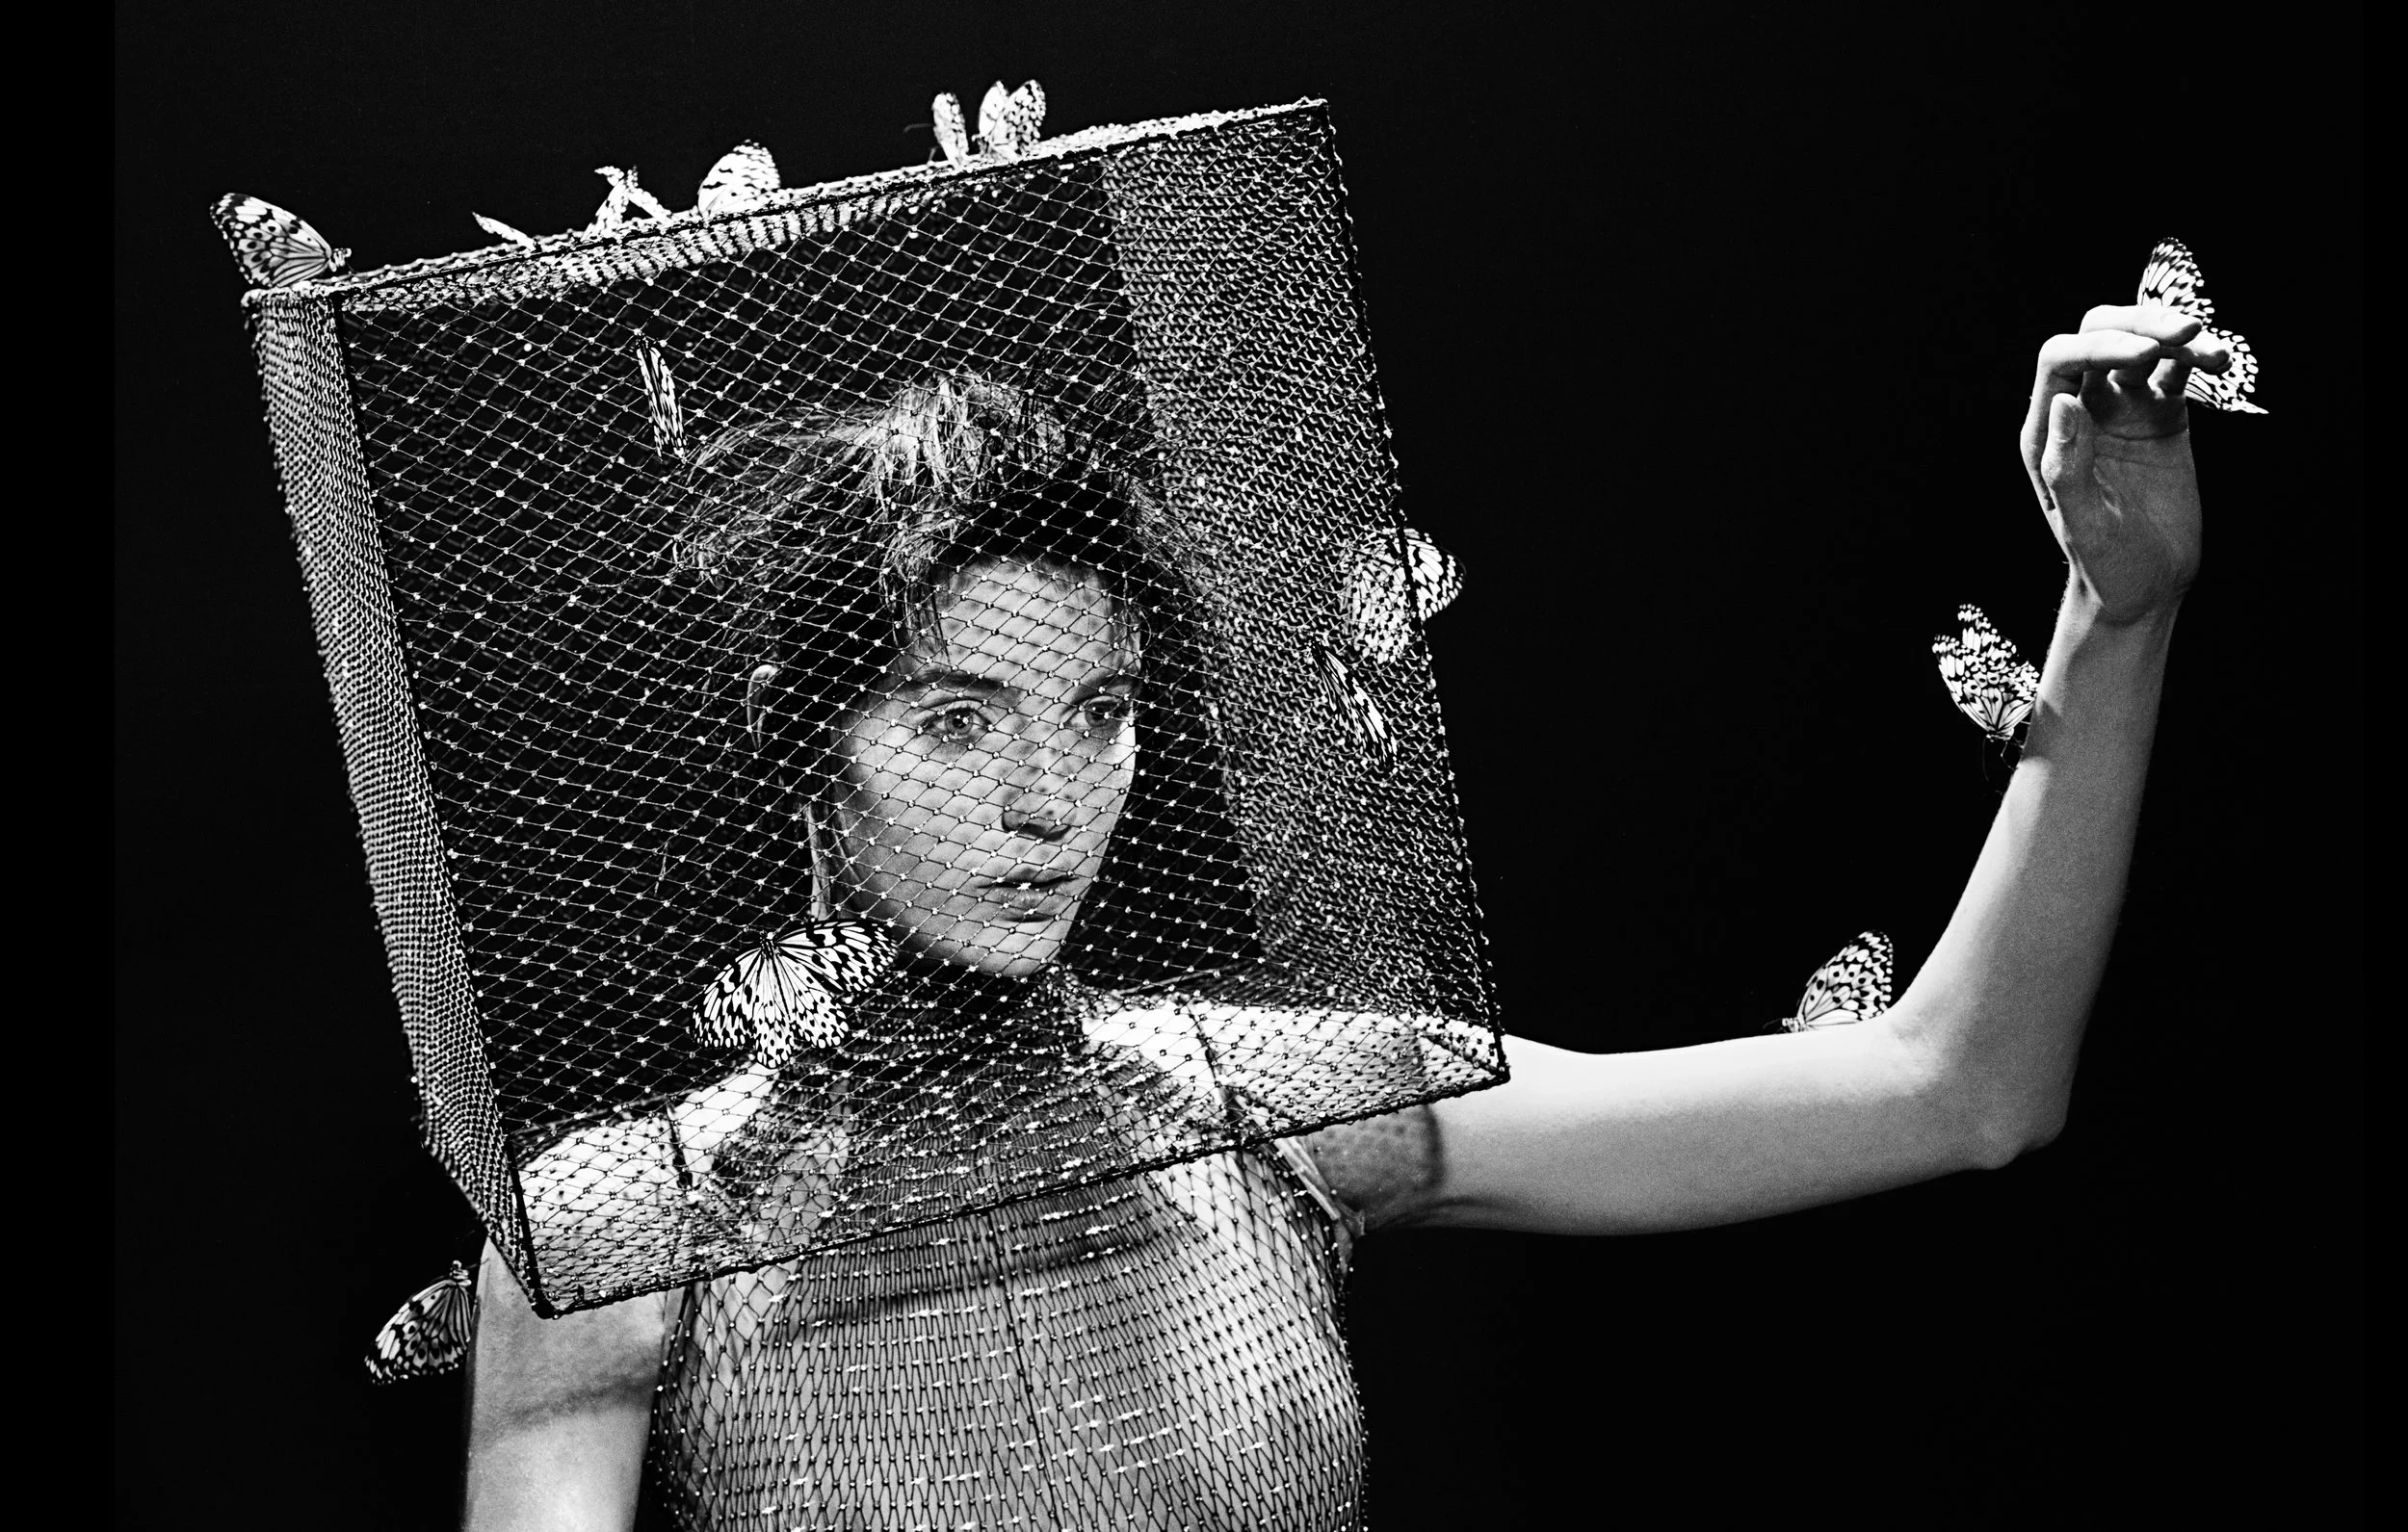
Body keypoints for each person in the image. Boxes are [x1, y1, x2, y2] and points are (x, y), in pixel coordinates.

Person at [461, 299, 2218, 1530]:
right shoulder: (626, 1229)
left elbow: (1960, 1088)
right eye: (954, 717)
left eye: (1099, 710)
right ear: (808, 747)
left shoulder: (1268, 1104)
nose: (1043, 796)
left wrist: (2112, 619)